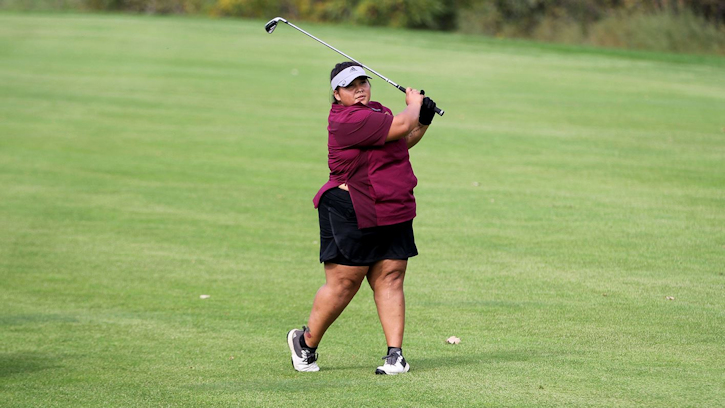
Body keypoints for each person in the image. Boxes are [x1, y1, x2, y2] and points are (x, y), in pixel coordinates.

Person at [287, 61, 437, 375]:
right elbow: (399, 127)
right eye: (350, 86)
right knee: (345, 283)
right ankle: (305, 343)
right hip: (350, 207)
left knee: (391, 277)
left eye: (363, 83)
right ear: (336, 94)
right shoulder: (346, 119)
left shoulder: (379, 112)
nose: (359, 90)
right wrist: (414, 105)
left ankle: (395, 355)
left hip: (392, 205)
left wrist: (421, 120)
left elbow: (401, 142)